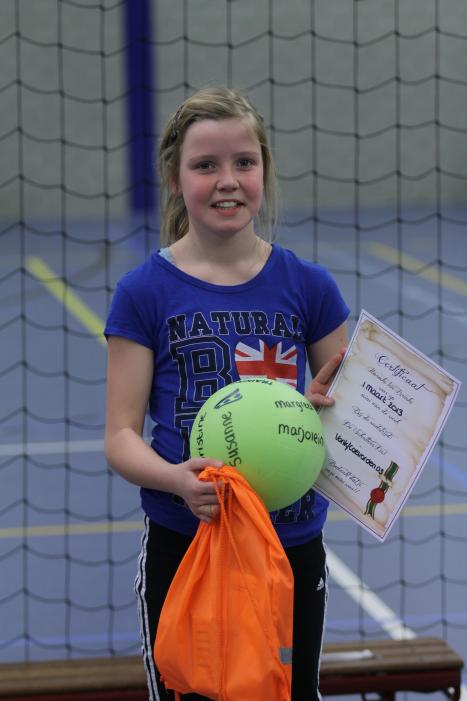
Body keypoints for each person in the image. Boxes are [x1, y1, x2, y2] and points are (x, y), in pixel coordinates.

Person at [104, 86, 349, 701]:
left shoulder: (310, 288)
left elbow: (348, 421)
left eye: (244, 162)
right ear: (174, 177)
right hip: (189, 548)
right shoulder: (143, 292)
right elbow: (120, 436)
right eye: (205, 165)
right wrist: (176, 481)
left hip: (287, 549)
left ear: (264, 169)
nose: (228, 181)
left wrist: (326, 415)